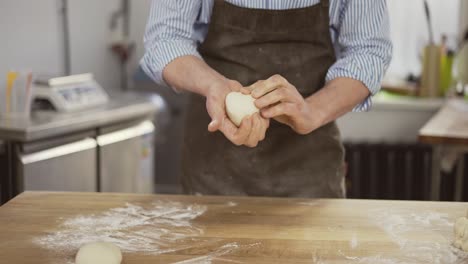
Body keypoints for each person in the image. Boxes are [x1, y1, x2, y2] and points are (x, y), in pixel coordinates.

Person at [141, 0, 392, 198]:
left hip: (310, 174)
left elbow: (368, 51)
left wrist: (312, 111)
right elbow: (165, 38)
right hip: (212, 174)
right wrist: (214, 86)